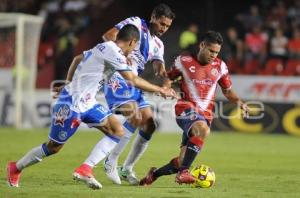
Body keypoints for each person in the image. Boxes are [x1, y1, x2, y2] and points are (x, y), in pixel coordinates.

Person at [6, 24, 176, 189]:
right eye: (134, 47)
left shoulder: (104, 47)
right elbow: (132, 79)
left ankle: (85, 169)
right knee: (53, 147)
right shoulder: (113, 51)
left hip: (89, 104)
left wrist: (68, 81)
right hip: (71, 104)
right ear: (132, 42)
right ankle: (15, 167)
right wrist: (160, 89)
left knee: (117, 130)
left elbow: (78, 59)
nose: (133, 51)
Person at [73, 3, 175, 186]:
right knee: (134, 116)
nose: (163, 29)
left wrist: (165, 78)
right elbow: (108, 35)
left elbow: (159, 68)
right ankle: (110, 161)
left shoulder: (158, 44)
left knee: (149, 124)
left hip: (133, 81)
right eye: (161, 24)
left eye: (167, 26)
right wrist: (120, 55)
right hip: (118, 76)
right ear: (153, 17)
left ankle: (126, 168)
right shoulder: (136, 23)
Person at [139, 31, 250, 186]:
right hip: (185, 107)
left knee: (183, 159)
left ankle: (154, 174)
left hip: (205, 115)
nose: (213, 55)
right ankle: (184, 173)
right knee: (203, 130)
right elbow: (169, 78)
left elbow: (227, 90)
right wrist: (166, 88)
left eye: (216, 52)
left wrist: (239, 102)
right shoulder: (184, 60)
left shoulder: (220, 66)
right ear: (202, 45)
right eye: (211, 51)